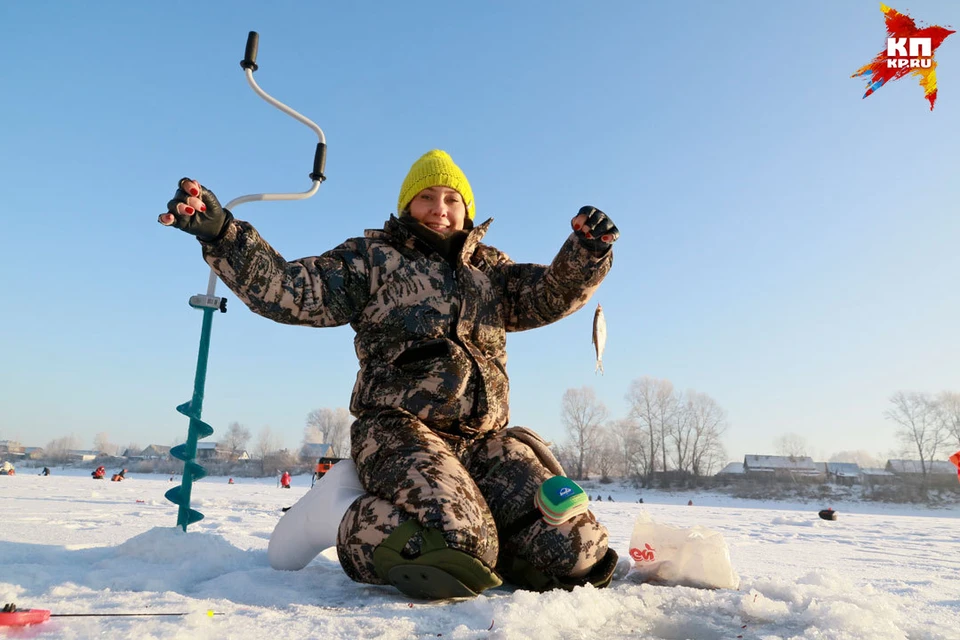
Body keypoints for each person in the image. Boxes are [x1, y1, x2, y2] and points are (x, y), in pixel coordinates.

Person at [159, 149, 620, 600]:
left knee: (581, 553)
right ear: (407, 206)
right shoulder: (373, 259)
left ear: (467, 210)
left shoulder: (491, 272)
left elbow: (549, 293)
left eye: (451, 199)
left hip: (483, 442)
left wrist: (587, 251)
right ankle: (336, 512)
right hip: (400, 431)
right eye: (427, 197)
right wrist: (224, 235)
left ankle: (497, 543)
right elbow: (293, 290)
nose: (440, 209)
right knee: (455, 546)